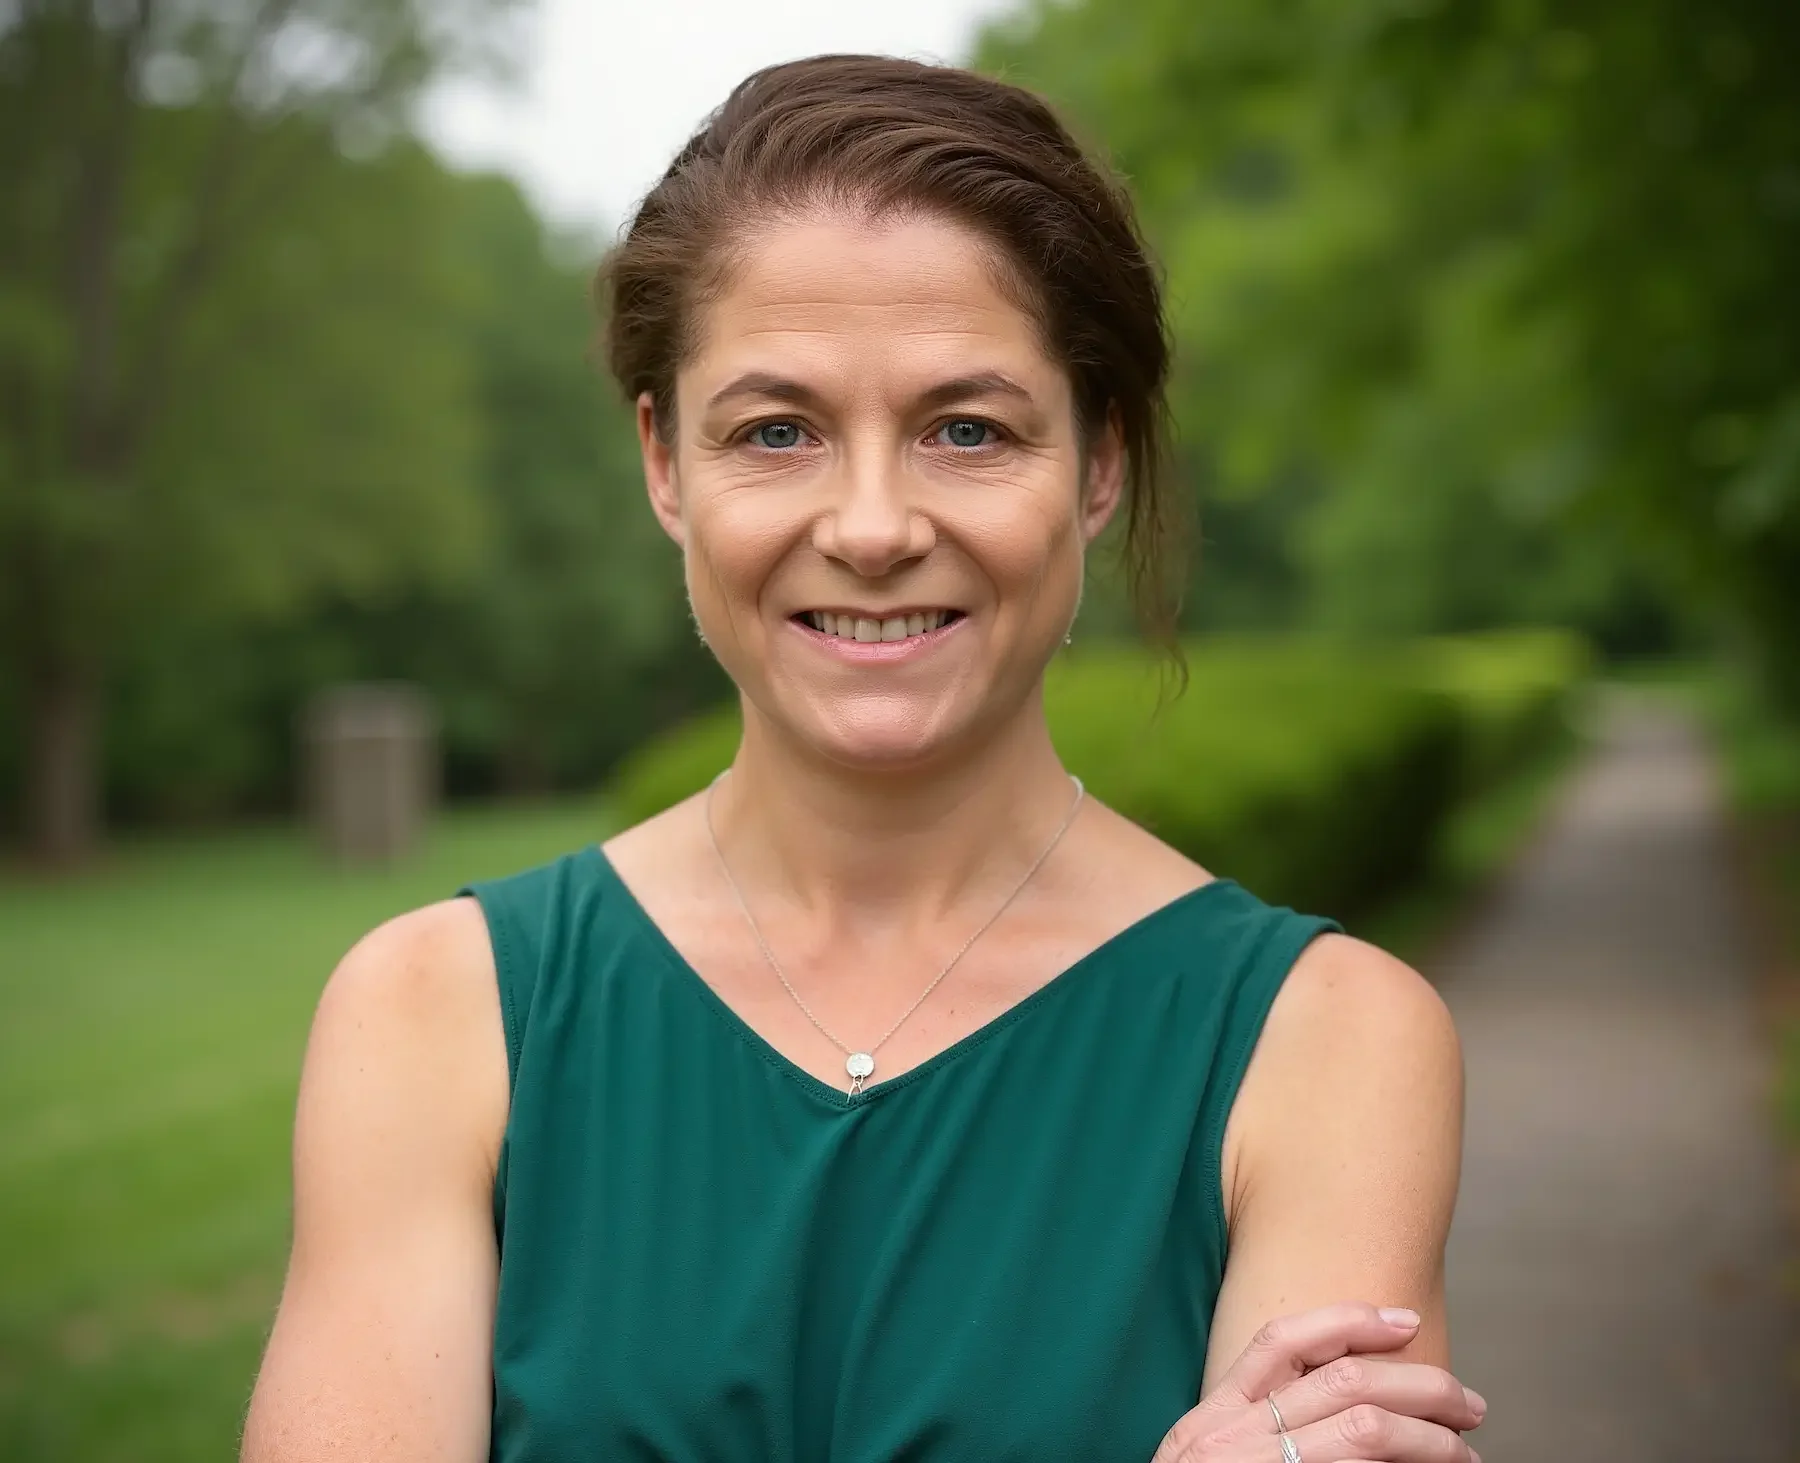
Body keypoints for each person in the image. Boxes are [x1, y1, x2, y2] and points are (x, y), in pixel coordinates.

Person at [242, 54, 1479, 1463]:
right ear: (665, 464)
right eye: (779, 431)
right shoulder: (431, 1018)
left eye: (968, 428)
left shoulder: (1326, 1045)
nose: (875, 524)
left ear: (1098, 464)